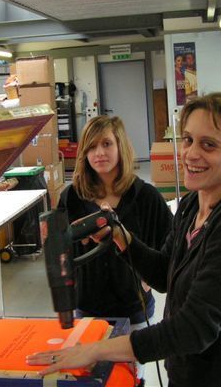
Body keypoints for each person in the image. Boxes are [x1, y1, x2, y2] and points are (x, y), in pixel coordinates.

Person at [28, 92, 221, 386]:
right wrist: (121, 237)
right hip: (187, 375)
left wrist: (96, 350)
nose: (191, 154)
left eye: (209, 145)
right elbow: (165, 274)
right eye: (188, 140)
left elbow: (194, 329)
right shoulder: (193, 204)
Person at [57, 115, 173, 382]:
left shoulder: (146, 196)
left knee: (129, 378)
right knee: (90, 378)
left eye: (107, 144)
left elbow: (171, 246)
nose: (99, 153)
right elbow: (62, 253)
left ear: (121, 146)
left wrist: (149, 279)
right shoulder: (71, 197)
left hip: (133, 308)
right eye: (92, 146)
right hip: (88, 308)